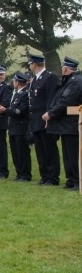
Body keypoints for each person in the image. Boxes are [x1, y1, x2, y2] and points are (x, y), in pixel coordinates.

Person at [43, 56, 82, 190]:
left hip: (72, 123)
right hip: (66, 124)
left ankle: (77, 180)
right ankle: (71, 179)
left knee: (74, 154)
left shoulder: (75, 82)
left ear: (65, 68)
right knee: (67, 154)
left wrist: (51, 113)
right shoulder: (68, 81)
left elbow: (66, 101)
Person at [27, 53, 61, 185]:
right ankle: (45, 175)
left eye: (30, 64)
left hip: (45, 118)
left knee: (49, 149)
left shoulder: (50, 77)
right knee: (40, 150)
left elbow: (51, 98)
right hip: (35, 119)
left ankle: (53, 177)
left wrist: (49, 116)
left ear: (34, 64)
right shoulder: (35, 79)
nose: (30, 66)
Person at [0, 72, 31, 181]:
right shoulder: (17, 93)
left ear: (18, 82)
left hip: (21, 127)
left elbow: (20, 110)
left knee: (22, 152)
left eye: (14, 81)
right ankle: (19, 173)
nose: (13, 83)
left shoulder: (25, 94)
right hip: (13, 127)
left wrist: (5, 110)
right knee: (15, 152)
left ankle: (25, 174)